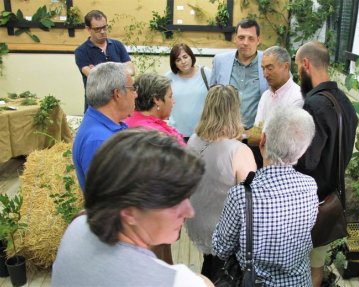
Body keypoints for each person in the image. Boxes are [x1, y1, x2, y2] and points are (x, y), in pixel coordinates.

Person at [53, 129, 213, 287]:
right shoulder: (175, 281)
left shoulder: (78, 225)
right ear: (129, 212)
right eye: (174, 201)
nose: (189, 212)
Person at [212, 107, 318, 287]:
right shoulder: (310, 186)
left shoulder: (241, 196)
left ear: (263, 141)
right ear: (302, 151)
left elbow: (221, 249)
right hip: (300, 282)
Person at [294, 41, 358, 287]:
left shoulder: (315, 105)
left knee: (300, 267)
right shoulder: (344, 102)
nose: (298, 73)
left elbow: (308, 161)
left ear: (306, 65)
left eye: (298, 67)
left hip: (309, 205)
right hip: (330, 199)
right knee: (316, 265)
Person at [185, 85, 256, 279]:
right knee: (223, 275)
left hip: (198, 220)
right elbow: (250, 201)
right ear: (234, 111)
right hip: (224, 230)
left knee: (210, 266)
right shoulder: (239, 151)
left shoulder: (193, 140)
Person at [72, 62, 137, 191]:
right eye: (132, 89)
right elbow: (110, 200)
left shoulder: (103, 121)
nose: (136, 95)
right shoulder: (99, 141)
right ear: (117, 94)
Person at [210, 18, 268, 129]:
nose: (245, 43)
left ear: (258, 40)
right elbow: (212, 96)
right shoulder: (220, 61)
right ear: (235, 38)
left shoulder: (269, 61)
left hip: (256, 135)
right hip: (225, 133)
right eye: (241, 38)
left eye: (251, 38)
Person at [75, 10, 134, 112]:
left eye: (104, 27)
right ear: (88, 29)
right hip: (97, 106)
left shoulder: (118, 45)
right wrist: (121, 69)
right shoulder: (81, 51)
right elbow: (94, 77)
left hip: (120, 104)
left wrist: (99, 70)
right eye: (97, 29)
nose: (102, 31)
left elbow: (131, 70)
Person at [247, 45, 304, 147]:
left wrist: (253, 136)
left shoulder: (297, 97)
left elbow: (284, 140)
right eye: (263, 69)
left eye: (270, 68)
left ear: (285, 67)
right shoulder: (265, 96)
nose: (265, 74)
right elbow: (256, 132)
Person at [165, 43, 211, 142]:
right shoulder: (168, 78)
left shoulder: (206, 73)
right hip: (177, 134)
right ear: (174, 63)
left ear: (191, 56)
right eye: (178, 60)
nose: (183, 62)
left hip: (204, 132)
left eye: (185, 57)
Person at [124, 73, 185, 146]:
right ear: (156, 99)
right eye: (170, 96)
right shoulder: (154, 134)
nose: (173, 101)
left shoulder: (129, 118)